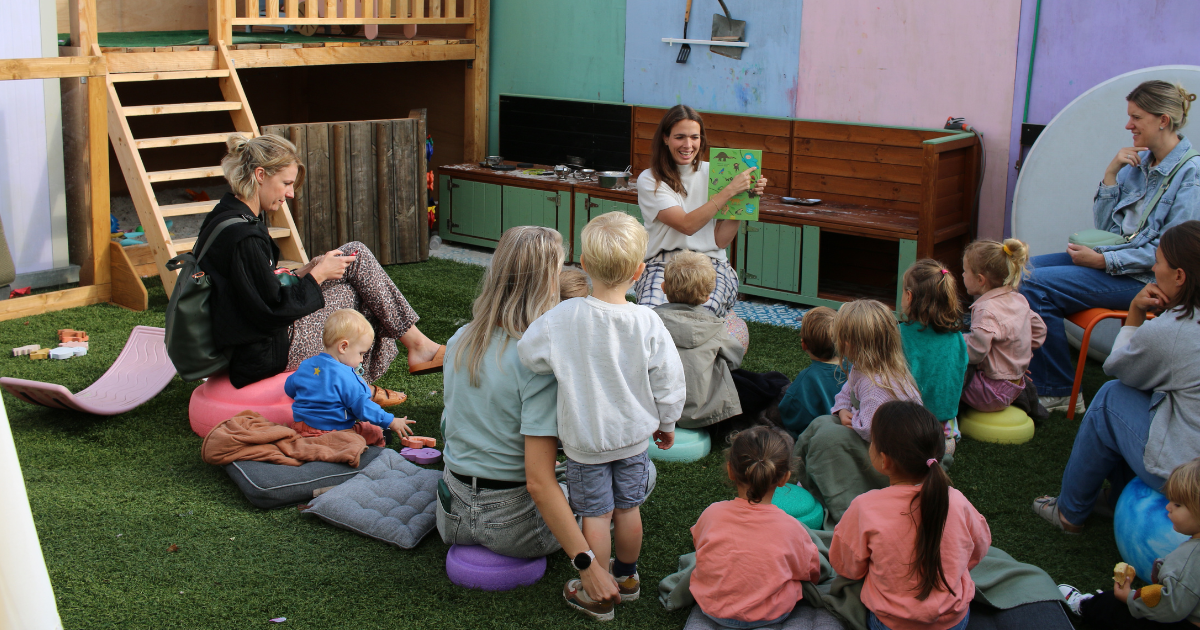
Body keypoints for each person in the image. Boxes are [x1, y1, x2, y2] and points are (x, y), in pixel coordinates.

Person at [437, 225, 635, 610]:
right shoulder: (537, 362)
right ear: (548, 281)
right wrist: (587, 565)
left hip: (452, 515)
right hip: (513, 525)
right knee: (624, 474)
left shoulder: (460, 338)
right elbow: (539, 483)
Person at [519, 212, 686, 621]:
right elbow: (670, 380)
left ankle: (597, 591)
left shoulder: (564, 316)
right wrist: (667, 424)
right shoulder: (647, 320)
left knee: (597, 514)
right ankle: (627, 580)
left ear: (584, 264)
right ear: (639, 271)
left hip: (585, 442)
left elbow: (528, 353)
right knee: (629, 510)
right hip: (633, 438)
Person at [195, 134, 443, 390]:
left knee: (355, 256)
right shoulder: (244, 236)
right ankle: (360, 385)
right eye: (286, 183)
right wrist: (318, 276)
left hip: (256, 336)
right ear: (260, 175)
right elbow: (270, 312)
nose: (290, 194)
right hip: (264, 351)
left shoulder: (226, 215)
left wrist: (303, 271)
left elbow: (252, 289)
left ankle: (414, 349)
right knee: (356, 299)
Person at [1021, 81, 1200, 413]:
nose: (1128, 125)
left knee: (1034, 284)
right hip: (1116, 262)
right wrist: (1111, 174)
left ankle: (1058, 392)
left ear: (1162, 120)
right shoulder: (1140, 164)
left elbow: (1172, 256)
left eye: (1136, 117)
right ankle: (1012, 372)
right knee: (1017, 270)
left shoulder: (1190, 175)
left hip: (1144, 278)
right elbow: (1107, 231)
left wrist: (1103, 263)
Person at [1034, 221, 1200, 533]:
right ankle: (1115, 497)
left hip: (1189, 479)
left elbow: (1118, 366)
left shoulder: (1176, 331)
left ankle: (1069, 512)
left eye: (1159, 261)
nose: (1153, 267)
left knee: (1112, 396)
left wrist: (1136, 311)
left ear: (1179, 276)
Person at [830, 401, 991, 630]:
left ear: (884, 460)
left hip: (890, 622)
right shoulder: (956, 500)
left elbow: (847, 567)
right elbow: (979, 547)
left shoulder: (865, 507)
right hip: (954, 621)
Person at [793, 299, 923, 525]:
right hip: (874, 438)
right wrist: (843, 409)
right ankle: (801, 475)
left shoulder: (877, 389)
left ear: (849, 343)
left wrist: (855, 419)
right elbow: (846, 392)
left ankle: (811, 480)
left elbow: (871, 430)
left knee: (824, 434)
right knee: (822, 424)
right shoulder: (864, 368)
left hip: (889, 454)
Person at [634, 104, 768, 318]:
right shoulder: (650, 179)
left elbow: (721, 241)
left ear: (701, 139)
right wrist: (730, 191)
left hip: (711, 262)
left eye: (694, 137)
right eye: (680, 137)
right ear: (665, 138)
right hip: (662, 263)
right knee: (652, 317)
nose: (688, 145)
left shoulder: (716, 172)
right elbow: (687, 225)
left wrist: (745, 198)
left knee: (703, 316)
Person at [690, 426, 822, 628]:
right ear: (785, 478)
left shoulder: (711, 514)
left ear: (730, 470)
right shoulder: (792, 529)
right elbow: (811, 571)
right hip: (770, 614)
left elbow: (699, 547)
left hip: (714, 610)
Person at [1060, 457, 1200, 629]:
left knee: (1112, 604)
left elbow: (1168, 606)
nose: (1168, 507)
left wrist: (1128, 597)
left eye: (1178, 504)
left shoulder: (1191, 557)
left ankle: (1085, 607)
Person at [285, 309, 416, 446]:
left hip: (300, 429)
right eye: (361, 353)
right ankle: (382, 436)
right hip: (332, 433)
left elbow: (289, 388)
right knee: (370, 430)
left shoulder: (307, 365)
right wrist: (391, 421)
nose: (361, 360)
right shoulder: (348, 377)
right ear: (343, 347)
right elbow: (363, 407)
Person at [654, 250, 746, 429]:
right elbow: (735, 360)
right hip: (703, 415)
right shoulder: (716, 326)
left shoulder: (649, 321)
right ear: (707, 296)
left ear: (663, 288)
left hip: (655, 411)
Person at [960, 240, 1046, 414]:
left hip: (989, 392)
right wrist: (1016, 357)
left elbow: (976, 352)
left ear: (980, 279)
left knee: (948, 368)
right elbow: (1039, 330)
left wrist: (958, 341)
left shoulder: (985, 309)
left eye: (965, 271)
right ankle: (1028, 401)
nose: (962, 275)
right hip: (1015, 386)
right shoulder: (1018, 299)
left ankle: (947, 416)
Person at [899, 260, 968, 452]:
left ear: (909, 296)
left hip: (912, 423)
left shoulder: (901, 333)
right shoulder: (957, 336)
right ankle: (946, 444)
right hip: (946, 425)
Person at [778, 306, 845, 438]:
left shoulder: (806, 378)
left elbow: (790, 415)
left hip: (818, 438)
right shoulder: (855, 369)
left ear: (804, 345)